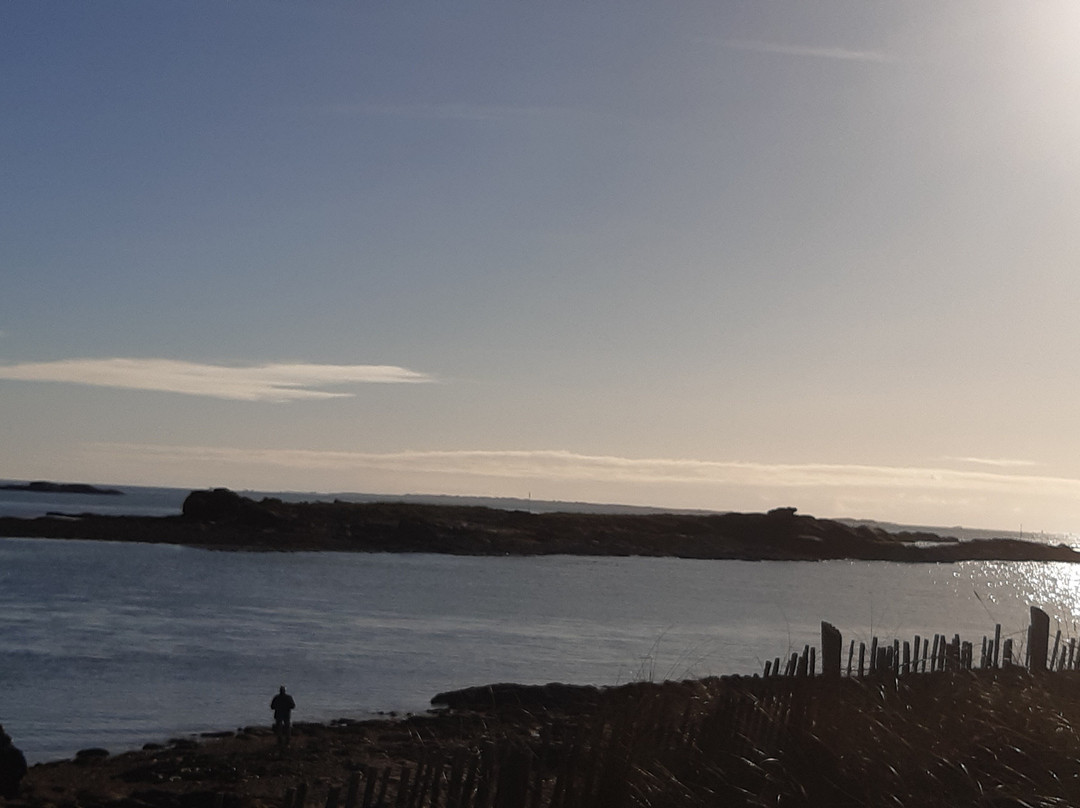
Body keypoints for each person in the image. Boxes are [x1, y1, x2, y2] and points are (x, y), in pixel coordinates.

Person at [0, 726, 27, 799]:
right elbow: (23, 768)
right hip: (12, 784)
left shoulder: (12, 752)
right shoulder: (14, 751)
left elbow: (22, 769)